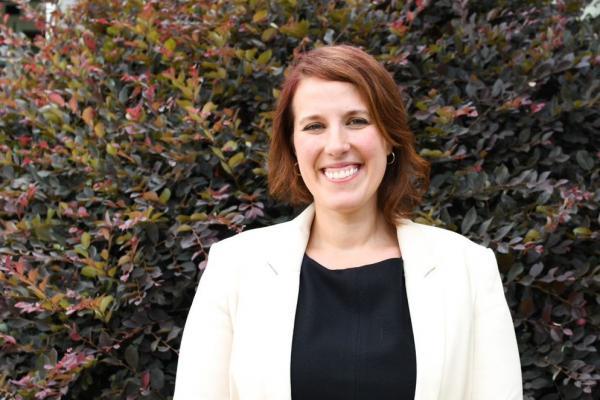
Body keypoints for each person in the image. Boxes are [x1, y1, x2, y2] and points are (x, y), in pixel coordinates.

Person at [174, 44, 522, 400]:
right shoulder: (234, 268)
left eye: (357, 121)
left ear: (389, 138)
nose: (337, 145)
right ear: (293, 147)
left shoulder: (468, 269)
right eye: (314, 126)